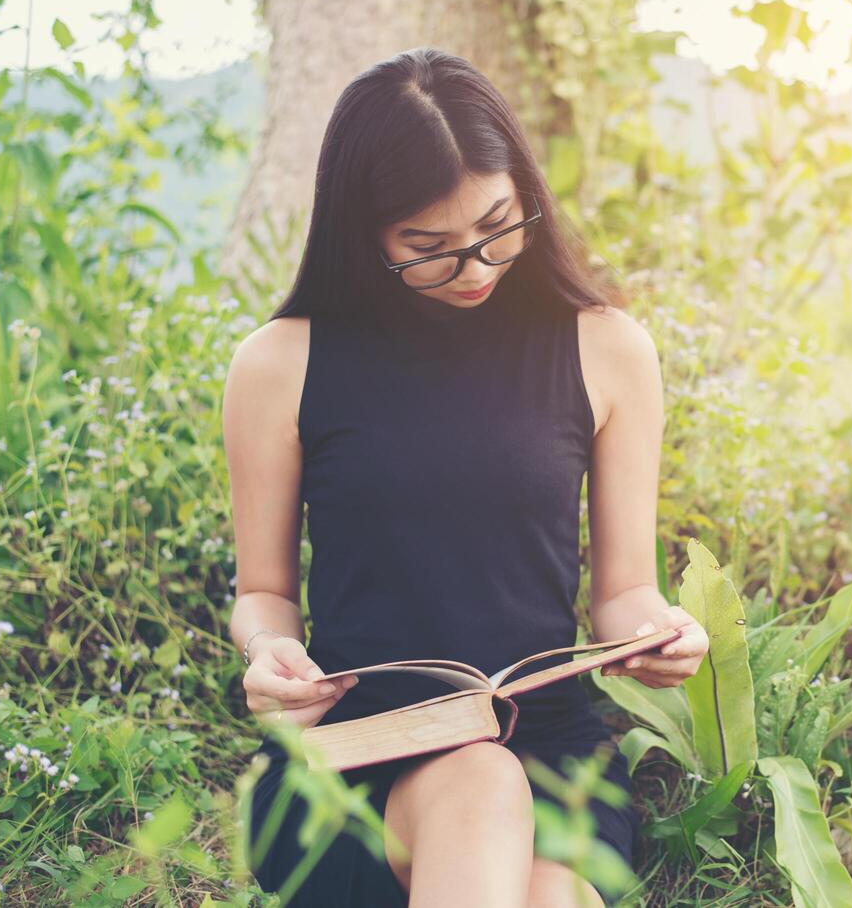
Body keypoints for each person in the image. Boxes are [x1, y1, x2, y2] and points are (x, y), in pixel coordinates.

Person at [222, 47, 710, 907]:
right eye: (430, 247)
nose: (477, 268)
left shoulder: (606, 348)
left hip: (550, 747)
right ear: (364, 228)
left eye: (497, 227)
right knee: (481, 786)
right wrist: (269, 653)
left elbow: (624, 591)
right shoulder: (281, 363)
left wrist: (660, 633)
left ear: (527, 191)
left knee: (547, 888)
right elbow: (263, 594)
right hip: (355, 754)